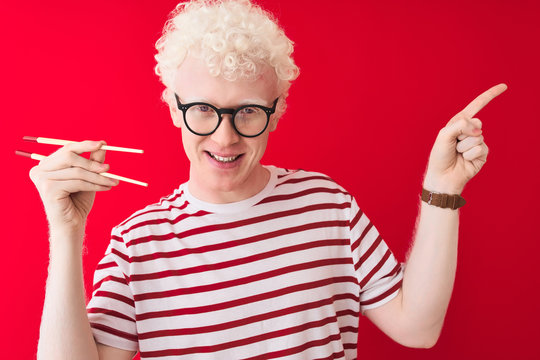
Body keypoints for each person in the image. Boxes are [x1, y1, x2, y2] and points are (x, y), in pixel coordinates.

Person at [31, 0, 506, 359]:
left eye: (248, 112)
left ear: (277, 111)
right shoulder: (137, 242)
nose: (225, 136)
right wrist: (66, 232)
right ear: (174, 109)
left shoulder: (328, 205)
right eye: (202, 110)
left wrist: (442, 188)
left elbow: (418, 328)